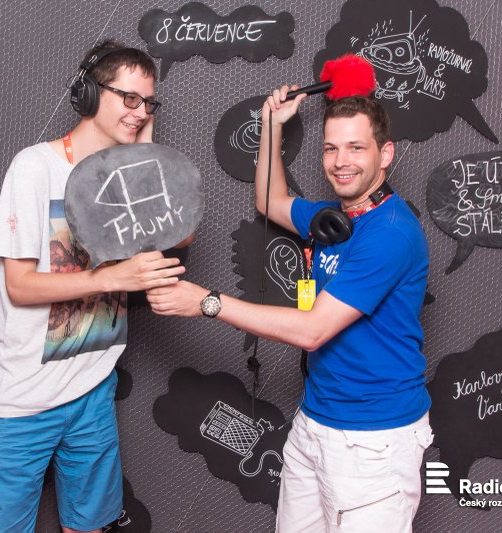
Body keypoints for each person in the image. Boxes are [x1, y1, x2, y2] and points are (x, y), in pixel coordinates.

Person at [147, 85, 432, 532]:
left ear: (386, 153)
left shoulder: (390, 234)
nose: (341, 161)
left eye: (356, 148)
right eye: (331, 149)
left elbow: (312, 330)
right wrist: (273, 125)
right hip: (316, 422)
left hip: (372, 441)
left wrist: (207, 302)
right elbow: (269, 201)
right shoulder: (333, 220)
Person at [0, 40, 186, 533]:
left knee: (91, 526)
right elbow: (19, 286)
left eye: (148, 103)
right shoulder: (34, 167)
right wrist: (112, 277)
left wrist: (143, 157)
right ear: (89, 94)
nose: (140, 112)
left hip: (91, 388)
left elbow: (181, 231)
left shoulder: (128, 176)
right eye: (129, 98)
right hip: (22, 399)